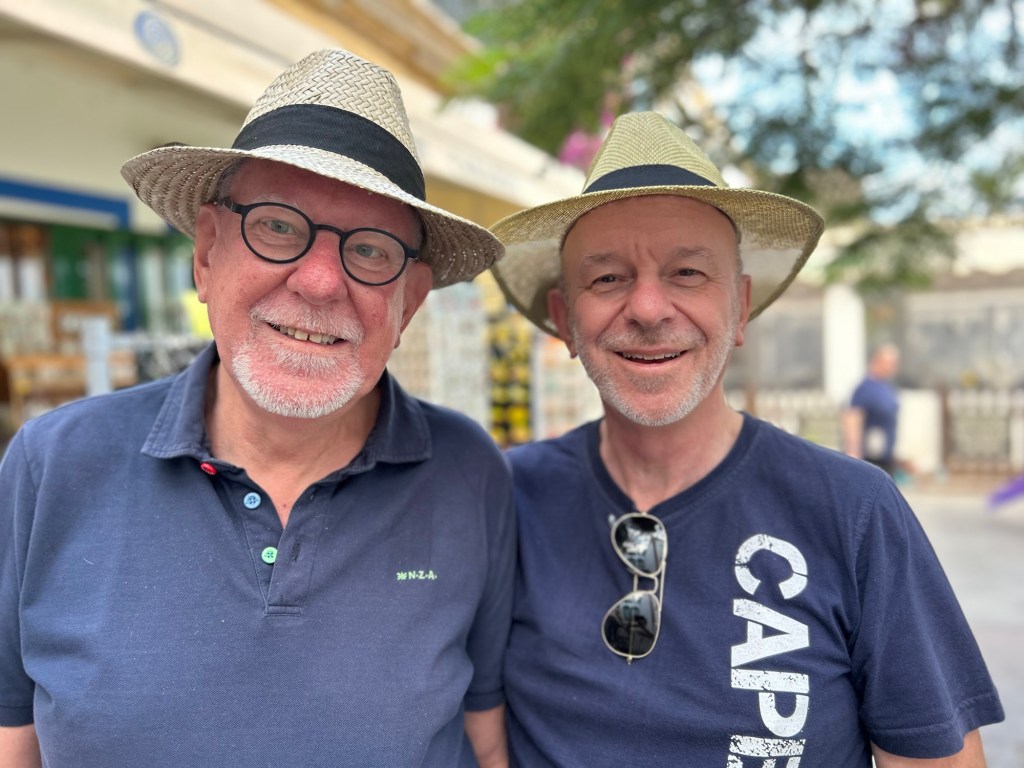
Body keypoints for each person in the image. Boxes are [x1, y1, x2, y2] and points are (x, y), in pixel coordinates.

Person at [0, 50, 515, 768]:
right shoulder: (53, 463)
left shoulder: (468, 473)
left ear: (410, 303)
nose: (319, 282)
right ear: (207, 255)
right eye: (277, 226)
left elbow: (487, 743)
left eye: (371, 250)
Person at [489, 112, 1003, 766]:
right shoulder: (504, 498)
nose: (647, 309)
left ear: (740, 308)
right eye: (607, 278)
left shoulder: (852, 510)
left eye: (687, 273)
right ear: (565, 320)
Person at [843, 343, 902, 475]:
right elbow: (853, 419)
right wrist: (853, 455)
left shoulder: (888, 387)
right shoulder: (865, 388)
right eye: (888, 363)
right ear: (876, 361)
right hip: (869, 458)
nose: (892, 367)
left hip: (885, 456)